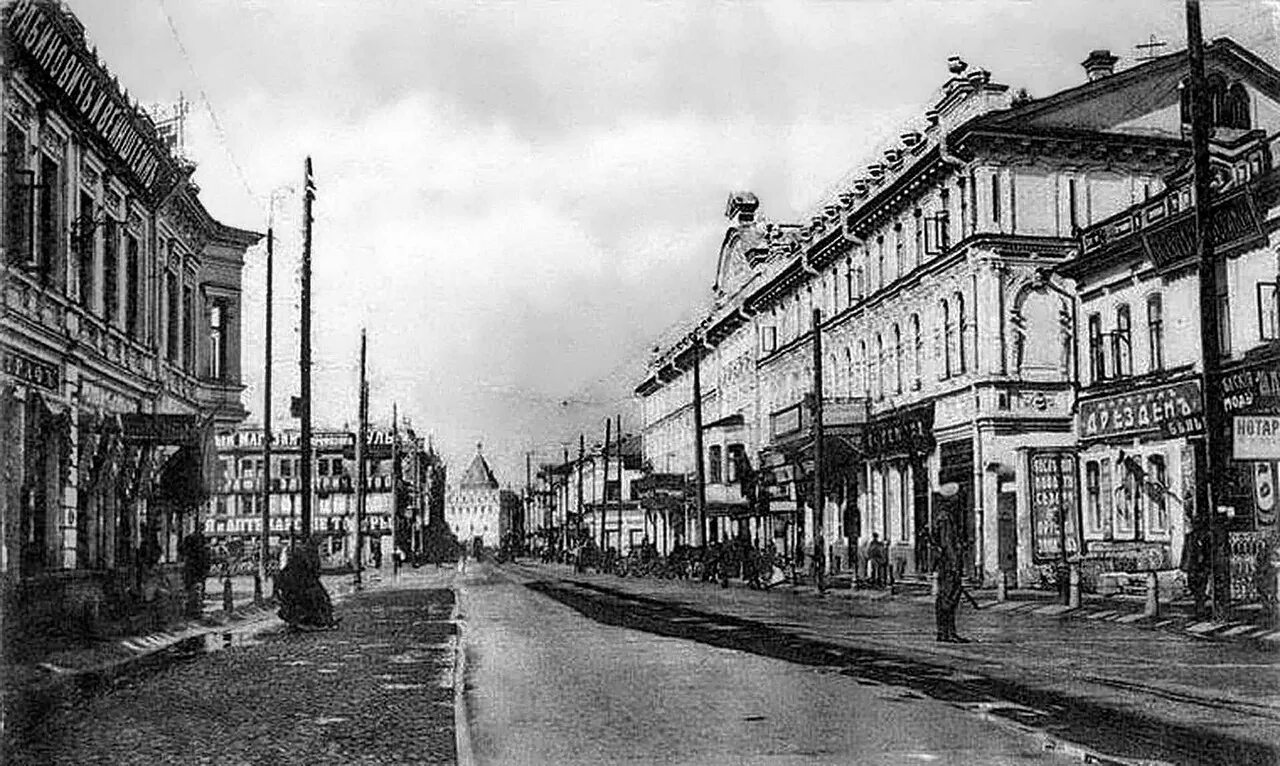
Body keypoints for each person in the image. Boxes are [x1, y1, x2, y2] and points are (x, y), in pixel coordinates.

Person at [933, 482, 969, 643]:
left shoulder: (942, 516)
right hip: (949, 564)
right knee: (949, 599)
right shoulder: (946, 518)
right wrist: (955, 564)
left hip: (945, 563)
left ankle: (943, 633)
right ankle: (948, 633)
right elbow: (947, 543)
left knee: (944, 598)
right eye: (956, 498)